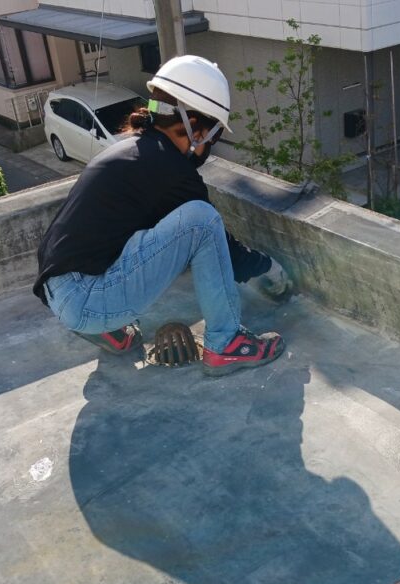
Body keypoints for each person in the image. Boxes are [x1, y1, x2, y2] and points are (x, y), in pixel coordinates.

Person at [33, 54, 290, 377]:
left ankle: (109, 331)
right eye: (213, 134)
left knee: (138, 233)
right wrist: (270, 269)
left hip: (60, 294)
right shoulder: (170, 169)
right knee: (202, 219)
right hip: (89, 300)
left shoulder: (130, 150)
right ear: (193, 125)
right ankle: (226, 344)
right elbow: (221, 245)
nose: (211, 144)